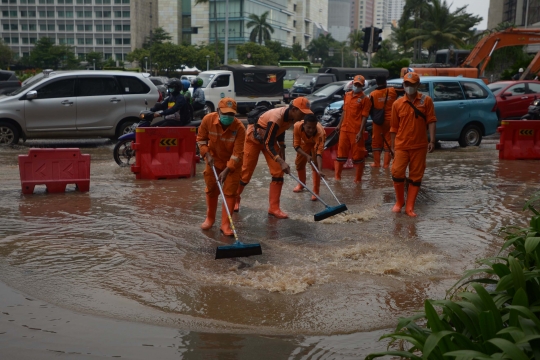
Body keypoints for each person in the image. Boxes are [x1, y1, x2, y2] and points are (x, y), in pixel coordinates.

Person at [234, 97, 313, 219]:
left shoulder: (292, 117)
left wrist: (282, 147)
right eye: (302, 113)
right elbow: (267, 144)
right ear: (293, 109)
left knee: (278, 172)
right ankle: (235, 199)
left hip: (269, 139)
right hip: (253, 140)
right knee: (246, 173)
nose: (304, 117)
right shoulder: (276, 117)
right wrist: (281, 161)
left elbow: (280, 130)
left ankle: (274, 208)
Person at [390, 72, 436, 217]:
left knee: (416, 176)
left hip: (419, 145)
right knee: (397, 173)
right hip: (402, 145)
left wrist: (432, 140)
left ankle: (410, 207)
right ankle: (399, 202)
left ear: (417, 85)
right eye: (406, 84)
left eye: (411, 84)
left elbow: (431, 120)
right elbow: (393, 128)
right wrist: (392, 146)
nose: (408, 87)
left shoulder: (426, 101)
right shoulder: (397, 104)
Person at [197, 98, 246, 236]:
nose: (228, 117)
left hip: (232, 164)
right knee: (212, 189)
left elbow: (238, 153)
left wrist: (227, 169)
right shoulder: (208, 120)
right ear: (218, 111)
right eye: (225, 113)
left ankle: (225, 225)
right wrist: (207, 154)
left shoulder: (240, 128)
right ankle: (210, 219)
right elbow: (200, 139)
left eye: (231, 114)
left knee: (230, 192)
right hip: (213, 160)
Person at [335, 75, 371, 183]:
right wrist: (339, 125)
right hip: (344, 129)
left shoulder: (365, 99)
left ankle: (358, 180)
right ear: (352, 83)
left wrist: (361, 132)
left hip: (356, 131)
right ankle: (337, 178)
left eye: (359, 85)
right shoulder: (347, 95)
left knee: (358, 156)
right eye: (355, 84)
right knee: (340, 155)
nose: (357, 86)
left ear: (363, 86)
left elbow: (365, 117)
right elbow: (344, 111)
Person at [292, 113, 326, 201]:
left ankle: (316, 191)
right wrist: (307, 155)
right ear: (304, 125)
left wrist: (320, 170)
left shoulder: (320, 133)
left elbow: (319, 152)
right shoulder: (296, 126)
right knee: (299, 163)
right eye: (308, 127)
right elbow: (296, 145)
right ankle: (301, 184)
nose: (311, 130)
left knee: (315, 165)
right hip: (305, 143)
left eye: (313, 127)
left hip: (315, 143)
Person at [369, 75, 398, 168]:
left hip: (378, 121)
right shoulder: (393, 91)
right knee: (389, 143)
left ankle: (376, 164)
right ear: (386, 82)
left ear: (376, 83)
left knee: (376, 143)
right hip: (391, 121)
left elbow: (370, 108)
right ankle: (386, 165)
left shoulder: (373, 94)